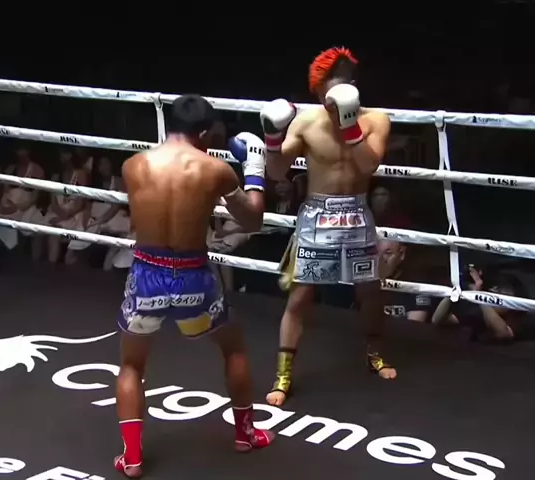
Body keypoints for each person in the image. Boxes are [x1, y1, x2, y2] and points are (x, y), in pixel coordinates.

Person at [114, 94, 273, 478]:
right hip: (193, 275)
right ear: (203, 132)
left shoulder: (133, 165)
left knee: (132, 364)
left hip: (147, 272)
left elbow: (139, 220)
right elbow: (252, 220)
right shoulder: (215, 170)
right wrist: (254, 170)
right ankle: (245, 434)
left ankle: (132, 459)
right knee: (233, 347)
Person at [261, 47, 396, 406]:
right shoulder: (307, 122)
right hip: (317, 216)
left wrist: (350, 125)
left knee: (369, 291)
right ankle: (283, 376)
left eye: (335, 94)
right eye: (323, 95)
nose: (329, 102)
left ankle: (375, 354)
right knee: (300, 296)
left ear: (351, 88)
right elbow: (276, 173)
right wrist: (272, 140)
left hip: (357, 213)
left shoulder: (376, 119)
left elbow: (367, 166)